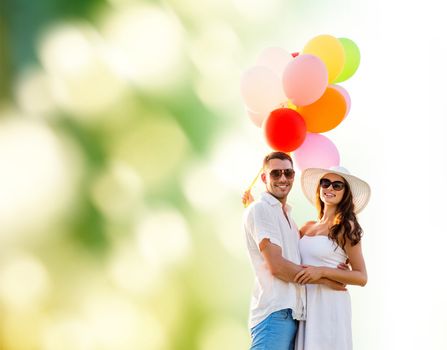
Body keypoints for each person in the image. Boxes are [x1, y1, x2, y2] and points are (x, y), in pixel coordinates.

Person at [243, 152, 347, 350]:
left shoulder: (288, 220)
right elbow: (278, 267)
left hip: (293, 315)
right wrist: (326, 279)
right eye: (275, 174)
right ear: (264, 178)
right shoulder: (261, 210)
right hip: (274, 313)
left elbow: (310, 250)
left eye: (288, 173)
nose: (283, 178)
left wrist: (335, 263)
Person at [294, 166, 371, 350]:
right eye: (325, 183)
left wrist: (321, 272)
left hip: (330, 304)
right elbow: (282, 245)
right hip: (306, 303)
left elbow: (361, 277)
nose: (329, 189)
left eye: (337, 185)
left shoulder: (346, 227)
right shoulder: (306, 227)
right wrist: (256, 207)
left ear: (345, 194)